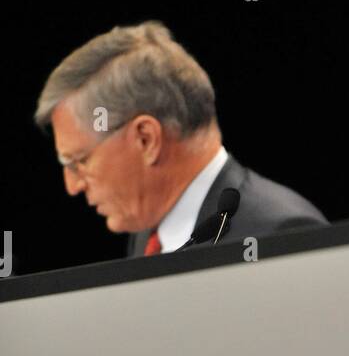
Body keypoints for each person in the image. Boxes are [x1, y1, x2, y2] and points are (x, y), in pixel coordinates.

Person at [34, 21, 327, 255]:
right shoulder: (149, 232)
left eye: (78, 161)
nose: (72, 186)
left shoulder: (280, 236)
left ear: (146, 139)